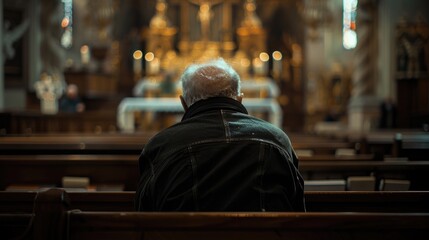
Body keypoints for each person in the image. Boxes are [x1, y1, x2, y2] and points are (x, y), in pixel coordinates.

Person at [135, 58, 305, 212]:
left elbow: (144, 214)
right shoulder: (276, 139)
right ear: (239, 99)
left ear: (184, 103)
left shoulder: (161, 145)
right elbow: (297, 209)